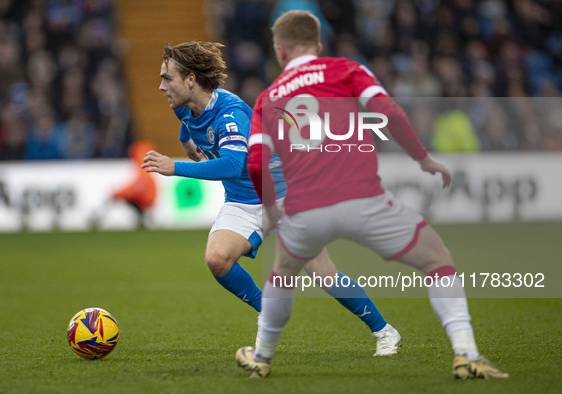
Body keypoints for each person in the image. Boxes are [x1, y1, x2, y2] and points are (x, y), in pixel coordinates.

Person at [236, 10, 509, 380]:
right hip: (363, 198)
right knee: (438, 260)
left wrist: (271, 210)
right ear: (318, 45)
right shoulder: (346, 70)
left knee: (282, 275)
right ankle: (466, 354)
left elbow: (255, 164)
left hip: (304, 209)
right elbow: (389, 112)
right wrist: (423, 158)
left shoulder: (268, 98)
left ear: (279, 51)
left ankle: (263, 359)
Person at [141, 41, 401, 356]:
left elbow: (234, 164)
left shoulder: (230, 112)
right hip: (242, 199)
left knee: (322, 272)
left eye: (167, 78)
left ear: (191, 80)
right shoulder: (183, 107)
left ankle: (385, 331)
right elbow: (189, 130)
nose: (161, 86)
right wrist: (189, 148)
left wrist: (175, 167)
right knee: (217, 259)